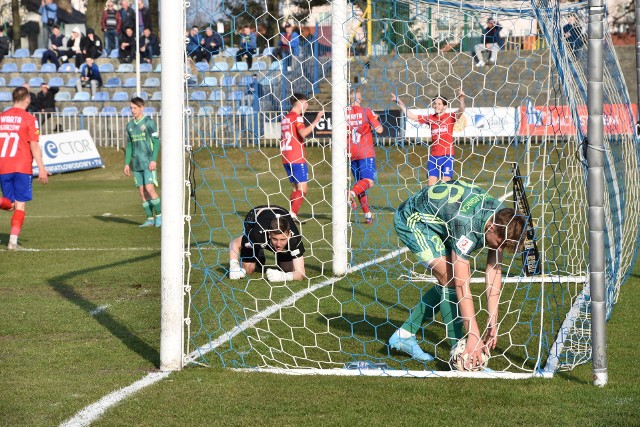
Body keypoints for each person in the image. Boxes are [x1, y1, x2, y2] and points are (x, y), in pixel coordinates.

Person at [388, 180, 526, 369]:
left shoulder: (502, 218)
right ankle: (464, 353)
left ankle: (403, 335)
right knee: (451, 279)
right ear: (491, 227)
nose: (499, 249)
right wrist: (474, 335)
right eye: (499, 244)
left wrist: (492, 321)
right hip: (414, 220)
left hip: (444, 219)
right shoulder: (466, 225)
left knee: (450, 278)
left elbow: (494, 270)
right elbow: (462, 285)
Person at [0, 86, 50, 250]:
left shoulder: (2, 117)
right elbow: (34, 144)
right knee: (19, 206)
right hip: (21, 166)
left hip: (4, 166)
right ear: (27, 100)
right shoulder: (29, 118)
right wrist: (41, 168)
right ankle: (13, 243)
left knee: (10, 204)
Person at [392, 89, 465, 186]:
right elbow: (411, 116)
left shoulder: (450, 117)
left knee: (446, 184)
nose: (436, 106)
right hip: (434, 156)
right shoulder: (430, 118)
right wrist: (399, 102)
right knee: (430, 185)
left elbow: (461, 110)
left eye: (439, 104)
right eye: (435, 103)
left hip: (447, 156)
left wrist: (461, 98)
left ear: (445, 106)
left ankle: (446, 201)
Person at [228, 205, 306, 282]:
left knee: (288, 269)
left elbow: (301, 274)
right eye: (275, 239)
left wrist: (283, 276)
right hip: (255, 216)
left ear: (289, 235)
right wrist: (234, 266)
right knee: (248, 269)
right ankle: (257, 249)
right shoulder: (258, 235)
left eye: (282, 239)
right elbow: (234, 243)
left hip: (280, 210)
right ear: (269, 234)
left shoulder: (295, 239)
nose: (279, 244)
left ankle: (280, 255)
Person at [280, 93, 324, 222]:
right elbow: (303, 133)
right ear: (298, 103)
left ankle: (292, 214)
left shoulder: (285, 118)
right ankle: (292, 214)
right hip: (296, 157)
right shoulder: (297, 117)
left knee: (295, 188)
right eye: (306, 103)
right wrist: (316, 120)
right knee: (303, 188)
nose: (307, 106)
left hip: (286, 157)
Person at [346, 89, 383, 224]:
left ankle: (367, 214)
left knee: (360, 184)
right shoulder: (366, 111)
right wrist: (371, 126)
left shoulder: (343, 113)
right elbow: (380, 130)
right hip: (365, 152)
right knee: (369, 181)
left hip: (351, 152)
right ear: (360, 99)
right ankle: (351, 194)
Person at [124, 97, 162, 228]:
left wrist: (153, 160)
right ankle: (150, 218)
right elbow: (129, 146)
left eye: (135, 108)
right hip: (137, 164)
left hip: (148, 162)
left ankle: (159, 216)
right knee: (141, 192)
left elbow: (156, 142)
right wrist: (127, 163)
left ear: (141, 108)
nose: (132, 110)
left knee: (150, 189)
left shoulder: (149, 123)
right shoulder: (129, 126)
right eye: (131, 108)